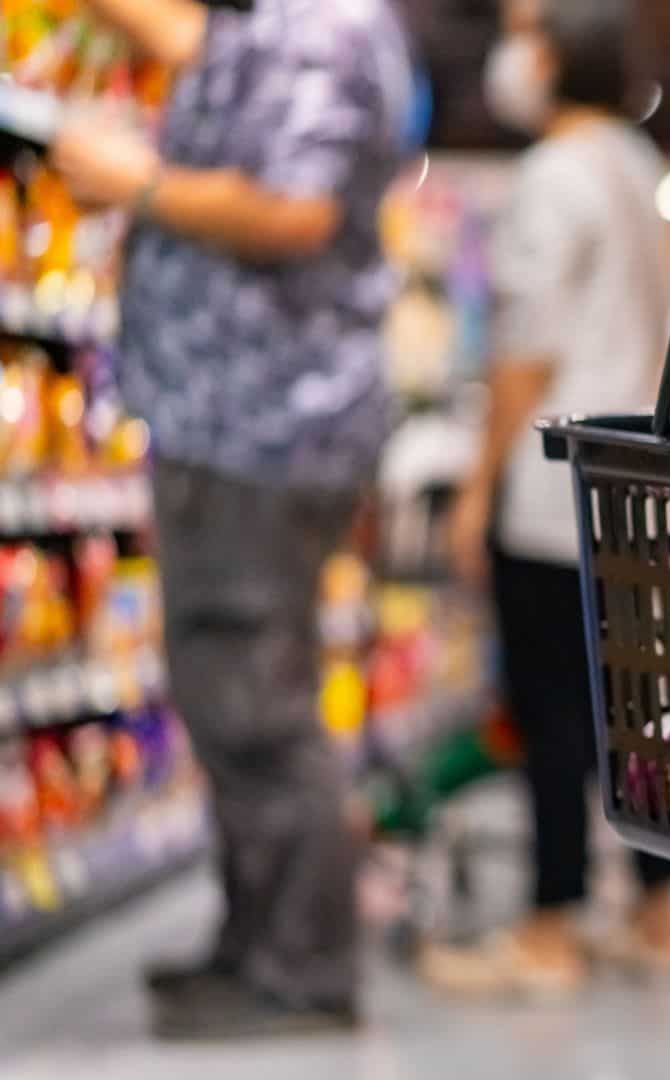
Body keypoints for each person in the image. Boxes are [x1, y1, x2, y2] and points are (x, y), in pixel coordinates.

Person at [47, 0, 413, 1041]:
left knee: (253, 699)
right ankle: (256, 947)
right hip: (243, 420)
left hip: (262, 424)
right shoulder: (271, 26)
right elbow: (181, 41)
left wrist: (138, 183)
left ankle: (298, 970)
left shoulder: (322, 26)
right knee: (231, 696)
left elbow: (295, 209)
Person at [432, 0, 670, 997]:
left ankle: (549, 925)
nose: (515, 53)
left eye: (530, 32)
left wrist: (476, 486)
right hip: (633, 487)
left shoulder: (551, 172)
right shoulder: (637, 163)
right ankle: (662, 911)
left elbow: (525, 352)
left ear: (565, 52)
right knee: (631, 705)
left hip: (552, 483)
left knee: (549, 713)